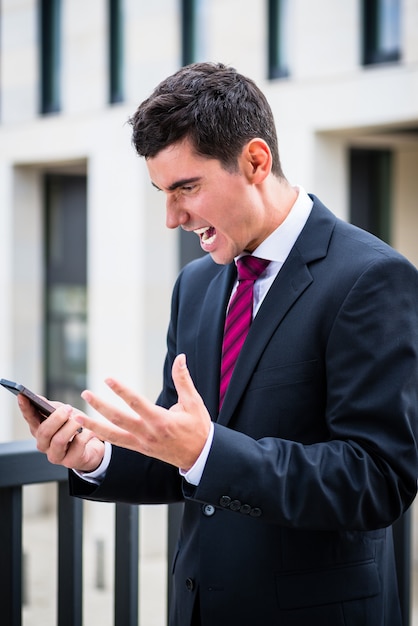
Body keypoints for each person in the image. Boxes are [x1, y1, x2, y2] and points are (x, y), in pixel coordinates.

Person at [20, 62, 418, 626]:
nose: (171, 217)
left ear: (256, 161)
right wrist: (96, 456)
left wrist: (207, 451)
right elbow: (180, 454)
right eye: (162, 192)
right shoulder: (197, 284)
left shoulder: (371, 278)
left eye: (186, 188)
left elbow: (376, 480)